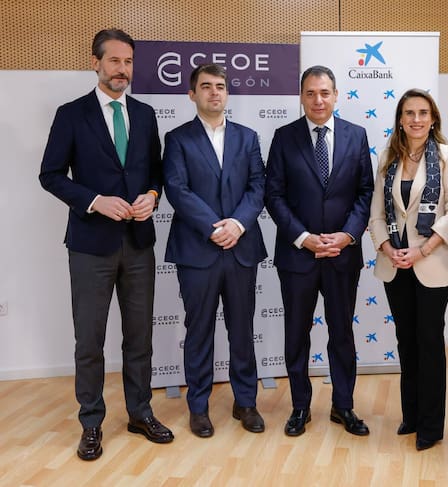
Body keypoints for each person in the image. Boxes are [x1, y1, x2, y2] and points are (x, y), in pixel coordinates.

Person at [39, 29, 174, 461]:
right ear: (95, 63)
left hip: (138, 242)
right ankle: (91, 422)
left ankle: (140, 413)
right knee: (89, 340)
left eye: (128, 62)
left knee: (139, 337)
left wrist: (152, 196)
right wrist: (95, 200)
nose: (122, 70)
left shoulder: (146, 114)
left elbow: (156, 172)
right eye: (114, 61)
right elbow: (50, 175)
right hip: (89, 245)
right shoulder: (71, 114)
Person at [265, 65, 374, 437]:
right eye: (310, 93)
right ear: (301, 96)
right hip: (298, 255)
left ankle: (343, 406)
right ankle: (300, 407)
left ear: (336, 95)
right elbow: (274, 195)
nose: (318, 100)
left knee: (342, 333)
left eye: (325, 92)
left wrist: (347, 235)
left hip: (342, 255)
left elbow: (365, 192)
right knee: (296, 334)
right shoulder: (284, 137)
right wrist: (303, 237)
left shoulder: (356, 135)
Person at [163, 64, 267, 437]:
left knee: (242, 330)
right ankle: (199, 407)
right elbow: (177, 189)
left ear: (227, 92)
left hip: (241, 247)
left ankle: (246, 402)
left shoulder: (248, 137)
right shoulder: (177, 139)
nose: (214, 92)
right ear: (192, 94)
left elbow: (258, 186)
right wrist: (214, 228)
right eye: (205, 86)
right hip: (197, 250)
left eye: (220, 86)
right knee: (199, 331)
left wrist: (237, 224)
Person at [368, 89, 448, 451]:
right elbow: (376, 214)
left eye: (423, 112)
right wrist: (388, 248)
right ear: (400, 119)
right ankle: (410, 415)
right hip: (395, 263)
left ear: (433, 118)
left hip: (433, 262)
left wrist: (422, 250)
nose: (416, 119)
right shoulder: (387, 157)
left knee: (429, 341)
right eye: (409, 113)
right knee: (405, 341)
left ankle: (430, 425)